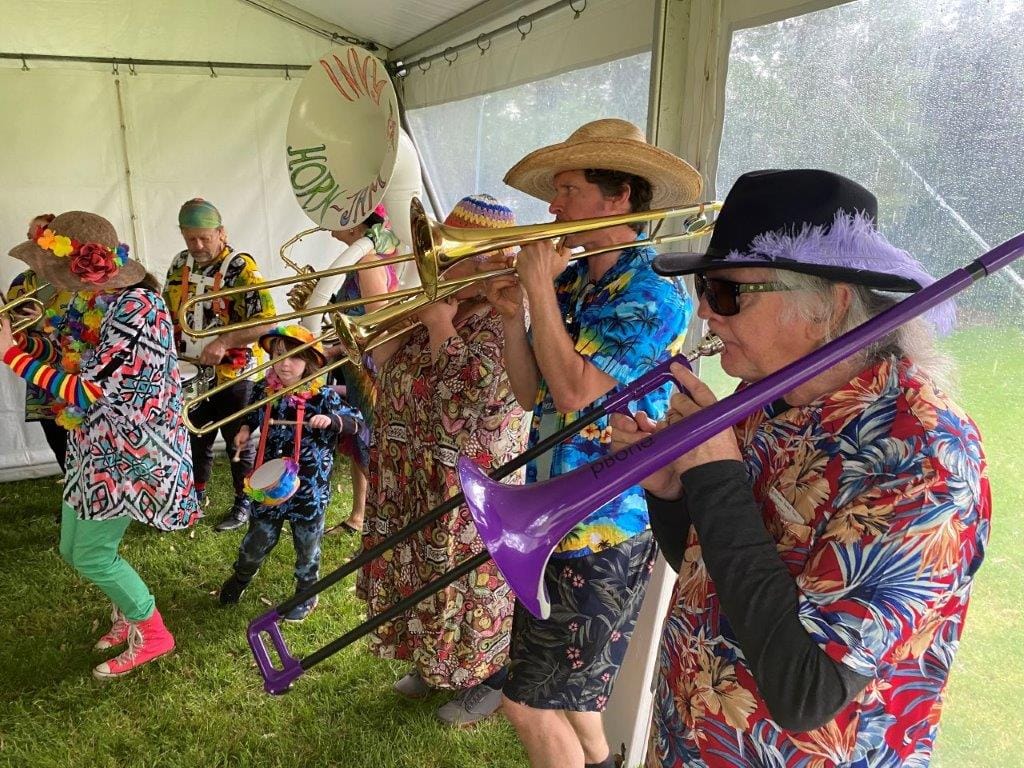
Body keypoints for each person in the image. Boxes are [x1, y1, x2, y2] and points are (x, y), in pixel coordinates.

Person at [607, 169, 988, 767]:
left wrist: (717, 478)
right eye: (705, 289)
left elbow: (805, 690)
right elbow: (705, 567)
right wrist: (674, 491)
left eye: (728, 291)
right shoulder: (768, 402)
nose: (706, 312)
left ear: (829, 305)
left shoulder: (924, 456)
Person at [485, 119, 701, 768]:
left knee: (527, 701)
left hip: (601, 528)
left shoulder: (655, 295)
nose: (552, 207)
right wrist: (510, 321)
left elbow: (578, 391)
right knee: (571, 692)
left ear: (619, 198)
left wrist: (538, 293)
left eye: (568, 189)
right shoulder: (575, 284)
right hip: (550, 513)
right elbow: (534, 395)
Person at [1, 211, 200, 679]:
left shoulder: (138, 309)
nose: (49, 284)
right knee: (74, 550)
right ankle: (127, 613)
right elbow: (76, 363)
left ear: (82, 269)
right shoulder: (104, 303)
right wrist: (28, 341)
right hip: (98, 447)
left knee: (92, 554)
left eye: (53, 274)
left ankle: (153, 632)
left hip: (130, 455)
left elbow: (87, 390)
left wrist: (9, 355)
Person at [357, 195, 528, 726]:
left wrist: (438, 325)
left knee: (466, 582)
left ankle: (491, 679)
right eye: (441, 252)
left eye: (456, 255)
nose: (444, 264)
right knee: (418, 569)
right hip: (413, 471)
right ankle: (434, 663)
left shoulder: (505, 313)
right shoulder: (444, 301)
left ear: (494, 259)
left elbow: (471, 401)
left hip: (464, 483)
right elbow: (385, 366)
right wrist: (408, 315)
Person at [218, 325, 364, 621]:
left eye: (294, 358)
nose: (285, 364)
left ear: (308, 362)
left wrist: (333, 420)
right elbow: (250, 412)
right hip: (270, 485)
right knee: (255, 542)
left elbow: (357, 421)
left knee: (307, 548)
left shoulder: (322, 396)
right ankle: (242, 577)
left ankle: (306, 594)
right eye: (279, 355)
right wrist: (245, 428)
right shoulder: (263, 389)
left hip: (309, 489)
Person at [162, 198, 276, 532]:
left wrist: (225, 342)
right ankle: (195, 496)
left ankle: (245, 502)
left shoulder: (241, 268)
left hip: (233, 373)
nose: (196, 245)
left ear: (221, 232)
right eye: (189, 237)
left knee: (238, 440)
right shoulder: (180, 263)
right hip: (190, 370)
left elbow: (268, 321)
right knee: (194, 436)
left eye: (204, 238)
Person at [321, 204, 399, 536]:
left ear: (356, 227)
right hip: (356, 364)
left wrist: (333, 349)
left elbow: (375, 326)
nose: (327, 224)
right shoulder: (363, 258)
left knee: (370, 444)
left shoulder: (367, 261)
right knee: (359, 440)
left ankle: (380, 520)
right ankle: (359, 516)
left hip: (367, 367)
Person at [6, 212, 74, 480]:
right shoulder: (22, 283)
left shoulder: (76, 279)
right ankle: (73, 494)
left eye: (41, 236)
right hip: (40, 374)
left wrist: (44, 320)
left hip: (75, 372)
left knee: (81, 438)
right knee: (56, 438)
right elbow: (10, 329)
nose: (34, 242)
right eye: (30, 237)